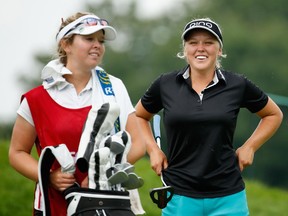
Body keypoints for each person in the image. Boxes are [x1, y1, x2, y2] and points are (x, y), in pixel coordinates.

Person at [135, 18, 283, 215]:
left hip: (228, 196)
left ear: (219, 50)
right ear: (185, 49)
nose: (200, 48)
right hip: (179, 195)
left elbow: (273, 114)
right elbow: (139, 116)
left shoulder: (237, 85)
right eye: (193, 43)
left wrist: (250, 147)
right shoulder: (165, 84)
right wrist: (153, 149)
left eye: (208, 42)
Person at [9, 12, 145, 216]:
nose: (97, 45)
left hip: (107, 202)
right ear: (66, 44)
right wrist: (48, 176)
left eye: (101, 40)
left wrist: (101, 176)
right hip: (53, 205)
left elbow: (137, 143)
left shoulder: (115, 87)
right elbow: (17, 152)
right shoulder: (36, 98)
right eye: (89, 38)